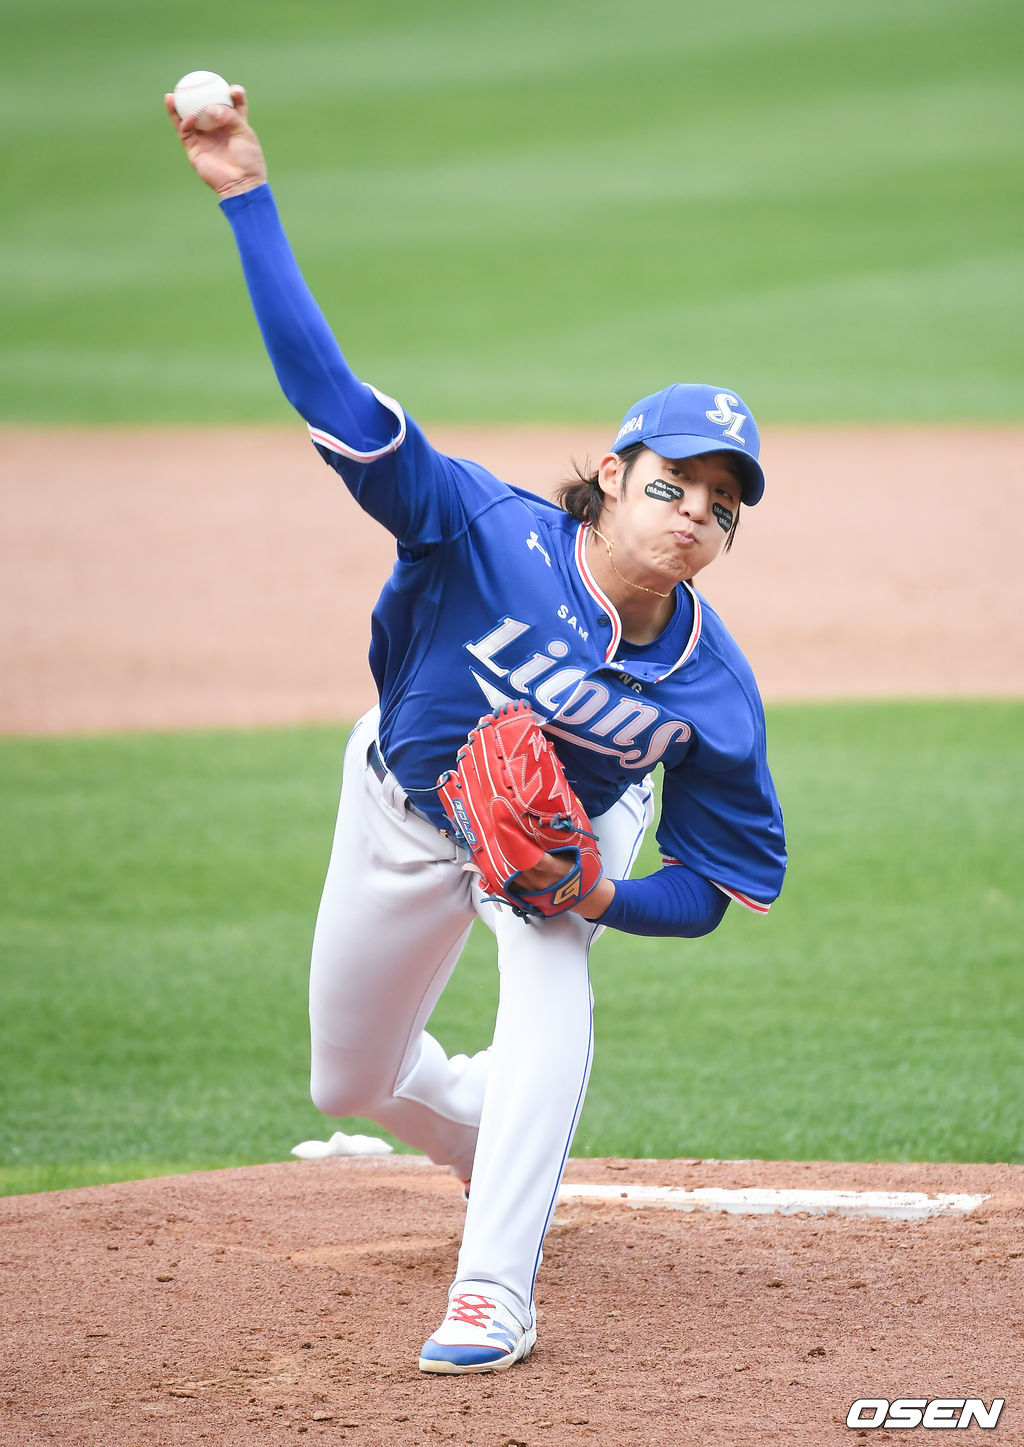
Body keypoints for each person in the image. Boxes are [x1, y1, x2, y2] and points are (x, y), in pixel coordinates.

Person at [165, 85, 787, 1376]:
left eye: (722, 507)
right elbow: (330, 395)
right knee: (353, 1079)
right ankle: (479, 1125)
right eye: (673, 482)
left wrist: (602, 886)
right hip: (401, 799)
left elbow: (718, 887)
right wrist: (245, 199)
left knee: (552, 954)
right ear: (613, 475)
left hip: (559, 835)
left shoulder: (712, 691)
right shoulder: (475, 530)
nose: (693, 515)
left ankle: (495, 1292)